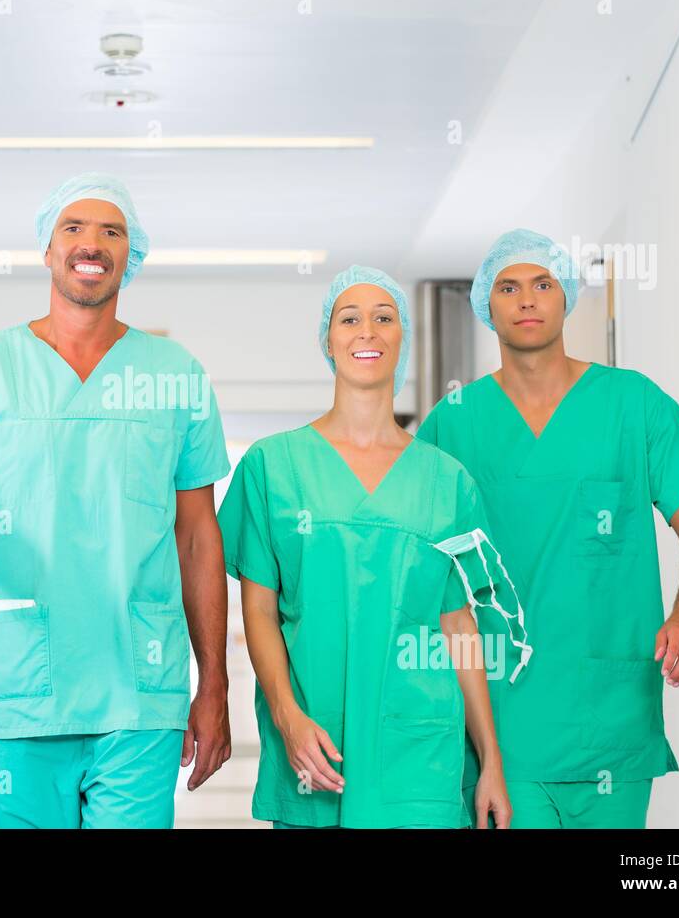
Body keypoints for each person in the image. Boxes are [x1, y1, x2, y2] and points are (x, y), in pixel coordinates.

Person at [0, 173, 232, 829]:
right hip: (24, 680)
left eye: (112, 231)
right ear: (48, 251)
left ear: (128, 256)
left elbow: (197, 537)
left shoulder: (175, 376)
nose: (93, 243)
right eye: (74, 229)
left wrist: (214, 682)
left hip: (140, 687)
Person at [416, 228, 679, 828]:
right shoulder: (452, 425)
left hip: (609, 719)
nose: (527, 299)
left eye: (542, 284)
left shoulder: (633, 404)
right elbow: (425, 576)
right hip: (502, 732)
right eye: (509, 287)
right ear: (487, 305)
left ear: (566, 297)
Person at [217, 266, 527, 829]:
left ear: (401, 338)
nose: (367, 331)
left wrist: (491, 762)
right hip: (317, 745)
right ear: (327, 340)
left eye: (384, 318)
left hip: (419, 751)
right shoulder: (272, 467)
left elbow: (459, 626)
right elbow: (258, 609)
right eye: (350, 318)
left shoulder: (447, 481)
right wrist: (288, 718)